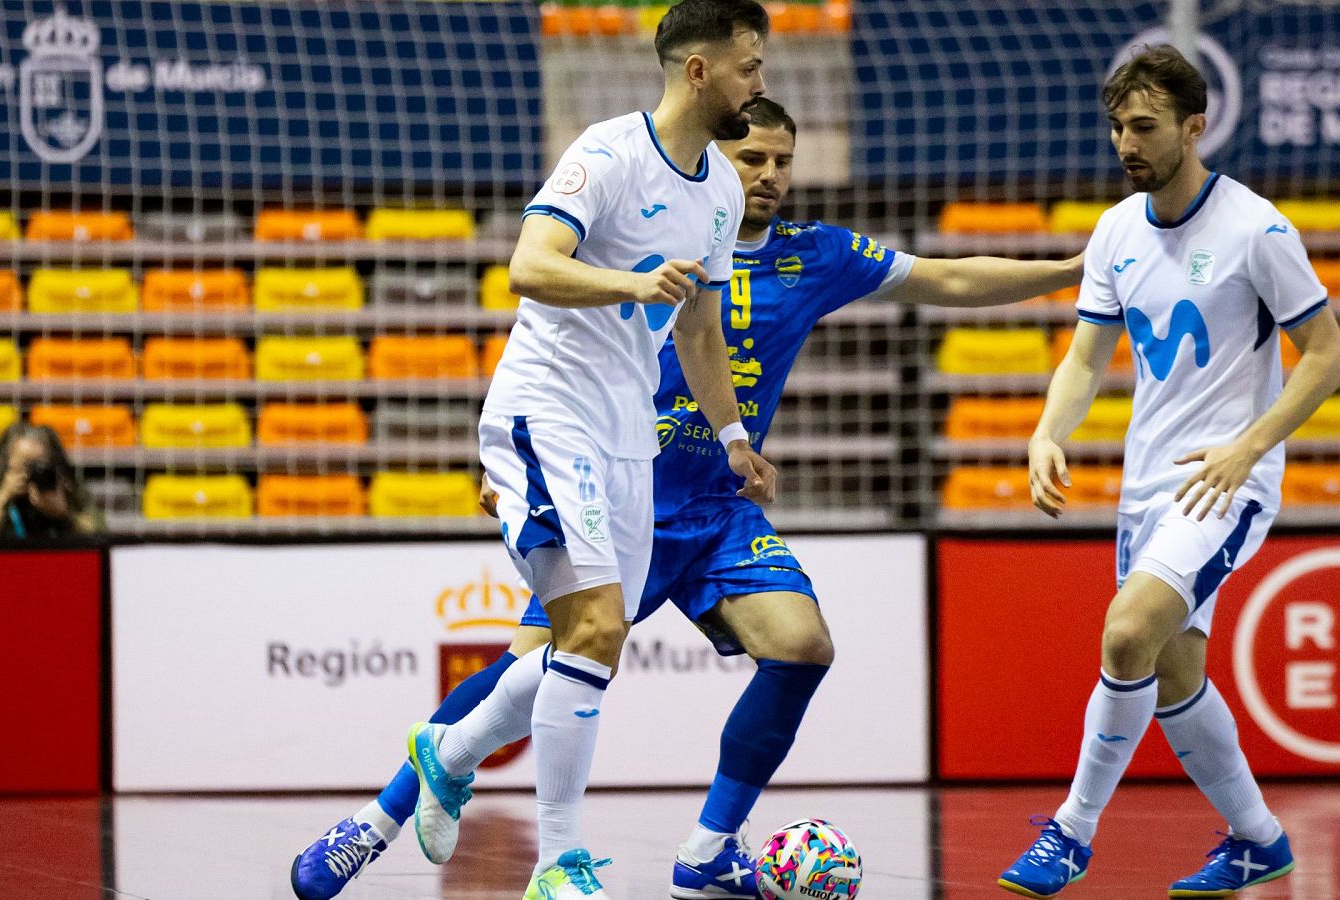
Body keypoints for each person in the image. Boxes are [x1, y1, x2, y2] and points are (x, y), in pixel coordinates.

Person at [291, 95, 1082, 900]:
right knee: (531, 668)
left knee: (802, 645)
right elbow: (549, 335)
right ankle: (373, 824)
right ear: (716, 160)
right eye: (752, 161)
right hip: (617, 483)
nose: (768, 177)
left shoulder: (814, 254)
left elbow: (946, 277)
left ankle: (707, 849)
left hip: (718, 507)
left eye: (782, 162)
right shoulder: (650, 231)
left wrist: (1068, 273)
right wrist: (521, 453)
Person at [292, 3, 777, 899]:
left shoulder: (722, 191)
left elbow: (701, 326)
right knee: (592, 626)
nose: (762, 83)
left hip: (627, 434)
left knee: (584, 642)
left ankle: (447, 753)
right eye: (748, 67)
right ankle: (558, 866)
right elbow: (529, 264)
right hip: (545, 412)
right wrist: (633, 282)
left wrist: (735, 434)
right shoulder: (607, 152)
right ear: (699, 70)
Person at [996, 46, 1340, 899]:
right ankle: (1258, 840)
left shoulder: (1256, 228)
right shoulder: (1117, 229)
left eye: (1145, 126)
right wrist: (1049, 430)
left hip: (1223, 484)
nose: (1127, 142)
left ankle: (1071, 833)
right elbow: (1085, 359)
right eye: (1118, 125)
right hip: (1146, 486)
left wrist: (1247, 448)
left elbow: (1327, 359)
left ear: (1195, 126)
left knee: (1125, 636)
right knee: (1173, 674)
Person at [0, 423, 102, 539]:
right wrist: (4, 495)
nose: (30, 474)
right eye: (23, 465)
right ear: (7, 463)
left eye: (38, 466)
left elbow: (100, 534)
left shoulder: (67, 488)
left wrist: (65, 514)